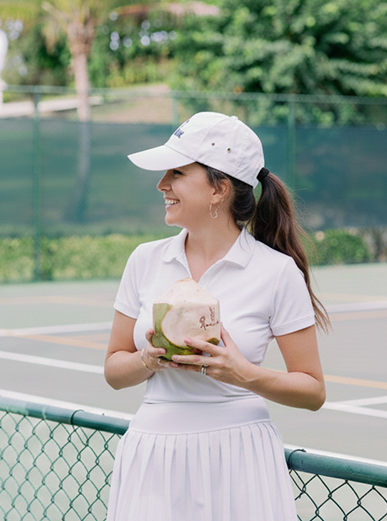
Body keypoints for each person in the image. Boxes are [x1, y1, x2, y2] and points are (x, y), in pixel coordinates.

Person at [104, 112, 327, 520]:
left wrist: (241, 372)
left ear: (218, 189)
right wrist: (146, 359)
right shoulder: (144, 260)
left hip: (239, 459)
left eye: (177, 172)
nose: (161, 185)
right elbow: (114, 370)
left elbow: (312, 390)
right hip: (153, 453)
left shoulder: (277, 272)